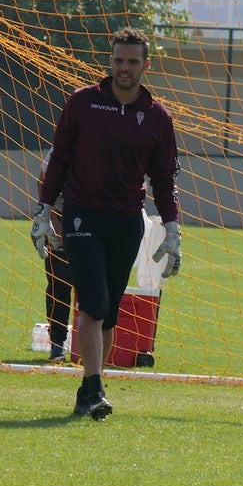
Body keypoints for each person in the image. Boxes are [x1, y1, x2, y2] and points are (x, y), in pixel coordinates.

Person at [32, 27, 182, 420]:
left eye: (132, 61)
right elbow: (60, 158)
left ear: (145, 65)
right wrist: (44, 210)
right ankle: (93, 386)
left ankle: (91, 387)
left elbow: (164, 179)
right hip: (81, 214)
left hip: (127, 221)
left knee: (109, 311)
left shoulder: (157, 118)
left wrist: (173, 229)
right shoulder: (83, 102)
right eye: (118, 60)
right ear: (110, 61)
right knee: (93, 302)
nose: (124, 68)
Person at [38, 151, 72, 363]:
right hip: (61, 218)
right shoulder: (61, 146)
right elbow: (42, 180)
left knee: (95, 288)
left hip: (95, 220)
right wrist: (49, 217)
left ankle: (93, 346)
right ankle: (57, 344)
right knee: (59, 286)